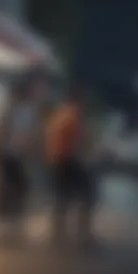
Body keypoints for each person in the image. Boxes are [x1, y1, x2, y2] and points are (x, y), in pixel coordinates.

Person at [0, 79, 43, 245]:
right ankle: (12, 230)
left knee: (8, 192)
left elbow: (1, 131)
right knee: (17, 192)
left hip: (10, 156)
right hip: (15, 157)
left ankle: (6, 231)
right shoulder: (26, 111)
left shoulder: (11, 110)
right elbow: (30, 135)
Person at [45, 86, 96, 247]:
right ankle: (83, 234)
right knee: (88, 194)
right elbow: (78, 142)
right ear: (79, 100)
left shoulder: (60, 113)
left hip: (57, 159)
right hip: (67, 159)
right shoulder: (73, 115)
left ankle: (57, 233)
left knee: (62, 197)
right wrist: (86, 161)